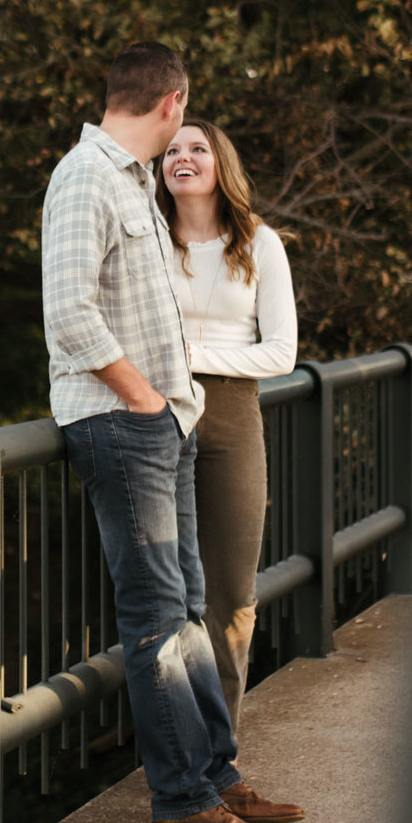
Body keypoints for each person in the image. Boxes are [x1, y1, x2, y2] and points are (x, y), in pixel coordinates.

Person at [40, 42, 301, 823]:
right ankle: (181, 796)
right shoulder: (86, 176)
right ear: (174, 103)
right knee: (156, 616)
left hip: (167, 424)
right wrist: (149, 398)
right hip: (126, 423)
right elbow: (70, 316)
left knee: (188, 608)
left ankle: (216, 773)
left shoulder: (131, 183)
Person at [157, 121, 300, 738]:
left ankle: (222, 745)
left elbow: (282, 354)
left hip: (232, 417)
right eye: (171, 151)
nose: (182, 158)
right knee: (167, 596)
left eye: (197, 149)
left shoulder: (260, 244)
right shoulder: (149, 241)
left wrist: (194, 356)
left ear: (222, 167)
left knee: (232, 594)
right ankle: (174, 748)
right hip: (156, 415)